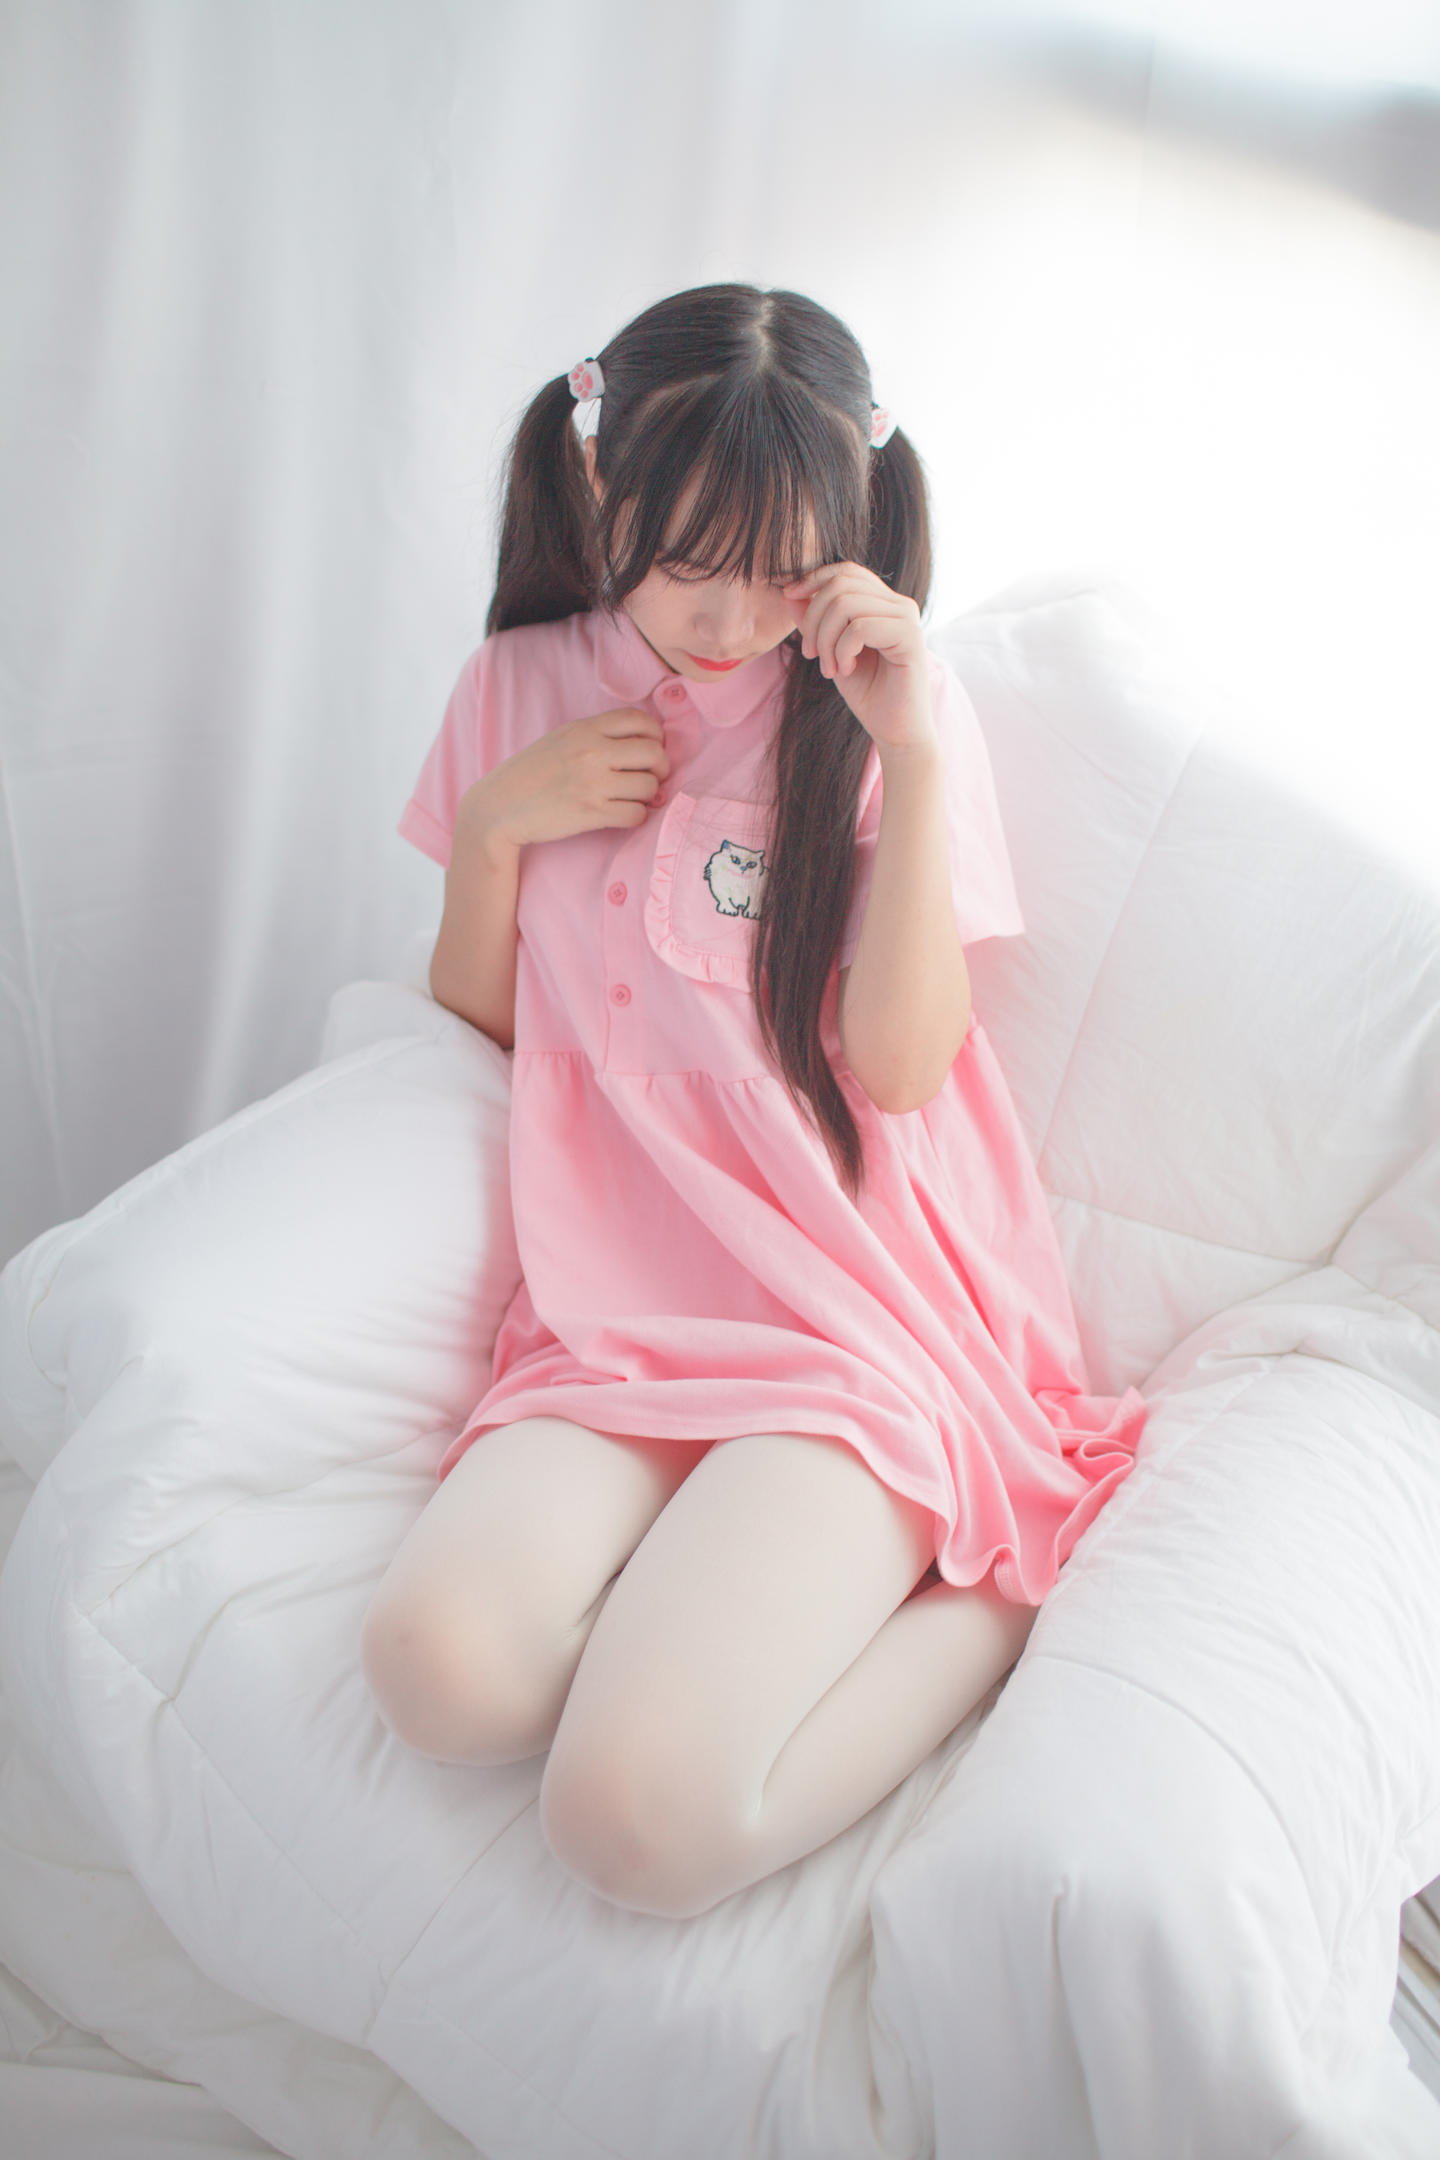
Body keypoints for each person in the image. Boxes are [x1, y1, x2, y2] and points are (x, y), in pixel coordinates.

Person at [360, 282, 1149, 1920]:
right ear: (600, 488)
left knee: (636, 1824)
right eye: (686, 564)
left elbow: (904, 1068)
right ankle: (730, 1571)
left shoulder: (881, 715)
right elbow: (484, 1032)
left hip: (850, 1319)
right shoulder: (513, 686)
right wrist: (497, 829)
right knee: (439, 1675)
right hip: (610, 1317)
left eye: (780, 572)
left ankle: (999, 1596)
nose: (728, 620)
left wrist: (909, 756)